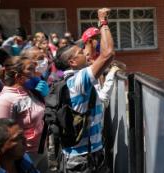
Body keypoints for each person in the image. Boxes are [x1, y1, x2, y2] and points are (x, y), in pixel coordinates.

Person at [54, 8, 114, 173]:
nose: (86, 54)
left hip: (83, 153)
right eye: (81, 53)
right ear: (72, 62)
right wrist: (103, 21)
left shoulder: (67, 80)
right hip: (84, 158)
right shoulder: (78, 80)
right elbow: (108, 54)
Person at [0, 56, 48, 172]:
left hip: (41, 150)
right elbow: (4, 138)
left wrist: (46, 96)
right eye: (30, 69)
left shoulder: (30, 91)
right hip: (25, 156)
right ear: (18, 76)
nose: (35, 73)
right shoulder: (5, 101)